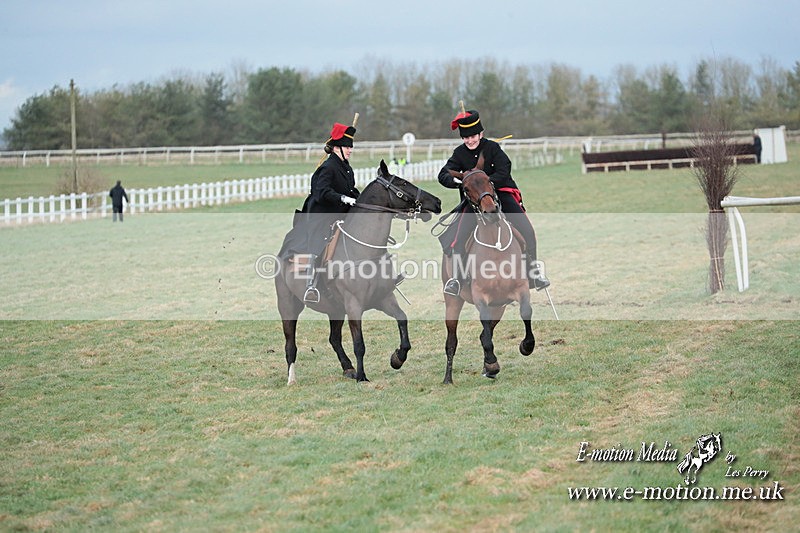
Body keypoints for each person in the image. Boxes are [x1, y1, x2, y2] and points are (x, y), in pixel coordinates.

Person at [437, 108, 550, 296]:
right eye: (466, 138)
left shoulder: (492, 148)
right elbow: (443, 174)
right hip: (474, 203)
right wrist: (459, 182)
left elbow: (504, 169)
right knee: (457, 240)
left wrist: (486, 184)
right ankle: (456, 279)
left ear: (480, 133)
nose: (470, 140)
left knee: (528, 231)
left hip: (500, 195)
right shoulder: (458, 153)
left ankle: (534, 273)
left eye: (473, 136)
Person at [278, 122, 360, 303]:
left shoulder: (347, 168)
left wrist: (360, 200)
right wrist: (342, 198)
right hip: (320, 216)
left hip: (340, 214)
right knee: (320, 242)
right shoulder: (328, 167)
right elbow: (321, 192)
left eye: (350, 147)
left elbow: (351, 189)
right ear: (336, 148)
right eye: (347, 147)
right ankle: (311, 285)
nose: (350, 150)